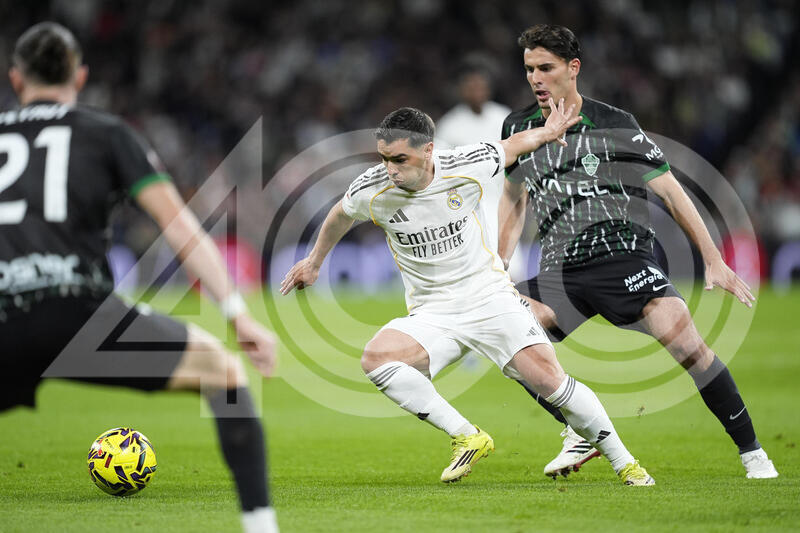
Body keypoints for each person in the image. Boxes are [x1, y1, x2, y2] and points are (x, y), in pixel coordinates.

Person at [281, 104, 655, 486]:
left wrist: (548, 131)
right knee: (377, 359)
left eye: (400, 159)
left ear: (428, 150)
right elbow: (340, 214)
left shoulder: (465, 164)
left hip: (489, 297)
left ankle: (626, 464)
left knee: (550, 381)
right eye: (384, 158)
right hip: (433, 312)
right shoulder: (372, 188)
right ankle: (466, 435)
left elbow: (513, 145)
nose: (390, 169)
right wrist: (314, 262)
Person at [0, 23, 279, 532]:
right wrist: (237, 314)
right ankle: (261, 525)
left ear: (15, 78)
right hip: (79, 315)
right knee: (223, 374)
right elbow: (179, 227)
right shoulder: (106, 133)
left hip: (3, 314)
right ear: (79, 77)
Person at [497, 24, 778, 480]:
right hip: (560, 271)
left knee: (688, 346)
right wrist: (498, 265)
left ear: (573, 68)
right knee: (503, 332)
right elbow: (514, 198)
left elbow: (671, 192)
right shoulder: (517, 127)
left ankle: (753, 454)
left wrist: (713, 258)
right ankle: (578, 430)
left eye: (545, 68)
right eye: (529, 69)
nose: (536, 78)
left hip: (624, 259)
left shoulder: (614, 123)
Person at [436, 57, 511, 148]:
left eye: (480, 87)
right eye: (472, 88)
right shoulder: (448, 126)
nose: (477, 93)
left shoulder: (503, 115)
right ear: (461, 90)